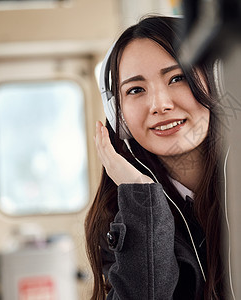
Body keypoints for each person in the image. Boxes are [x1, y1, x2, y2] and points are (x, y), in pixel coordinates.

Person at [85, 15, 228, 300]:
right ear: (118, 116)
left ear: (217, 82)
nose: (160, 105)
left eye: (178, 78)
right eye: (136, 90)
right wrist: (141, 201)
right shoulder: (118, 215)